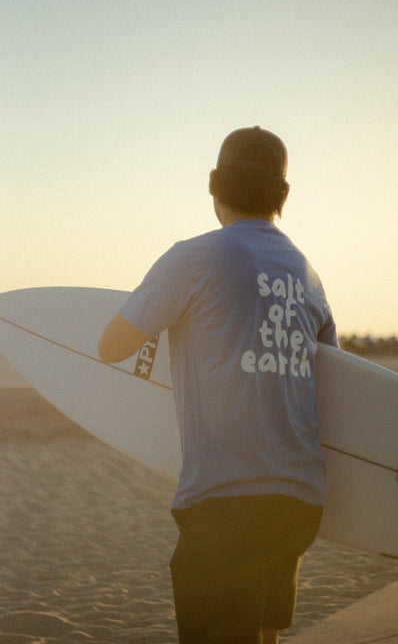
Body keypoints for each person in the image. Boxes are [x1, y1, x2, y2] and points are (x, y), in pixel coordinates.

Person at [98, 126, 337, 644]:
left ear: (215, 190)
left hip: (227, 501)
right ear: (283, 195)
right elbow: (330, 381)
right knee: (261, 634)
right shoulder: (309, 275)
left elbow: (109, 346)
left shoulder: (193, 257)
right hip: (298, 499)